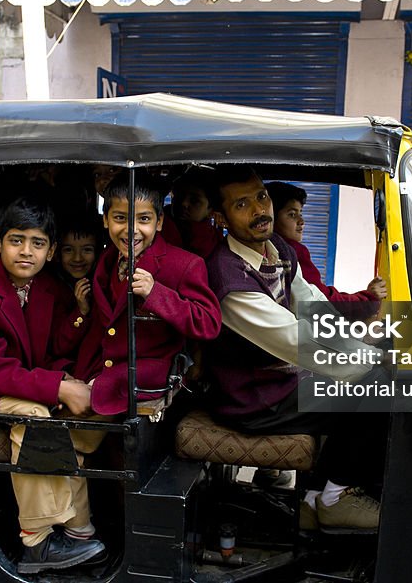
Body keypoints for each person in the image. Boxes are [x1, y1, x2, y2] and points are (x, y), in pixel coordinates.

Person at [204, 166, 390, 530]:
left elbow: (313, 306)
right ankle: (336, 498)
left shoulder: (277, 248)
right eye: (242, 204)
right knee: (380, 391)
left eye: (261, 196)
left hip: (283, 380)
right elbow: (295, 340)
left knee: (375, 377)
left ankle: (310, 500)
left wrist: (367, 345)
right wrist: (369, 363)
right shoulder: (229, 277)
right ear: (220, 217)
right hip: (253, 399)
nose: (260, 209)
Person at [0, 197, 104, 574]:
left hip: (18, 379)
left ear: (50, 251)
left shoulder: (46, 287)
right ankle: (37, 541)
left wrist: (68, 377)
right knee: (35, 417)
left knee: (82, 423)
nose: (26, 252)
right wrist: (57, 388)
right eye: (17, 240)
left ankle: (79, 531)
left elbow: (51, 349)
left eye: (38, 243)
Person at [74, 172, 222, 415]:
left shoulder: (184, 264)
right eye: (120, 218)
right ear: (105, 220)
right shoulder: (106, 260)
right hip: (99, 374)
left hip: (142, 383)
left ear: (160, 221)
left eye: (143, 219)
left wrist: (156, 294)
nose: (131, 230)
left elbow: (209, 323)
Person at [265, 181, 386, 310]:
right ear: (271, 217)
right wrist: (367, 299)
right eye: (292, 215)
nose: (301, 221)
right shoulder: (291, 252)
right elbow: (324, 302)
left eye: (300, 213)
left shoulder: (267, 248)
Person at [170, 168, 223, 258]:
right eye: (180, 195)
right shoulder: (161, 226)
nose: (184, 203)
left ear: (211, 211)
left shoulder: (215, 244)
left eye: (194, 200)